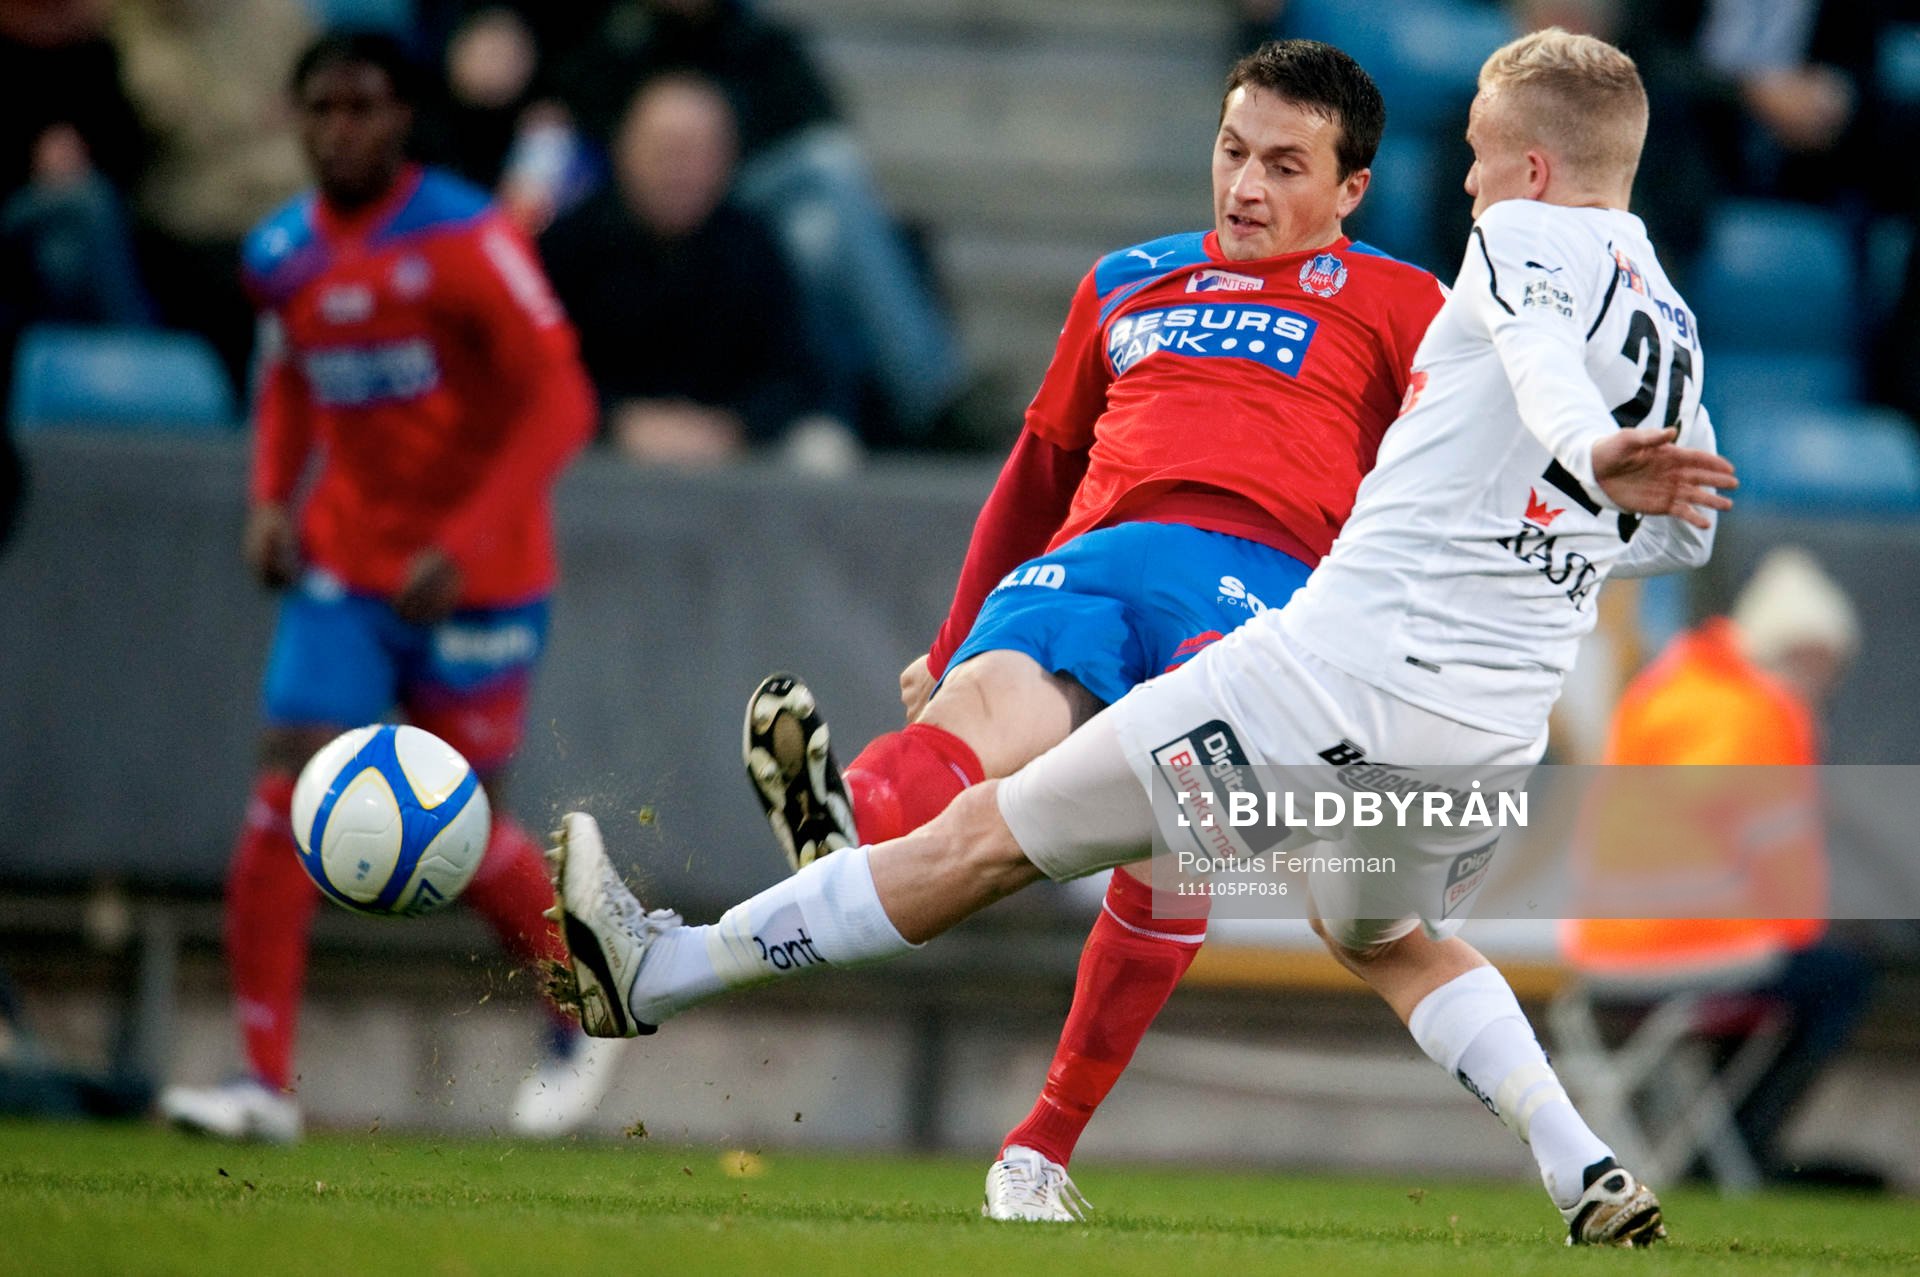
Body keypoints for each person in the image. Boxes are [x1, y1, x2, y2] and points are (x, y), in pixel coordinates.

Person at [556, 28, 1735, 1246]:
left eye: (1484, 157)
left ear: (1533, 168)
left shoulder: (1514, 243)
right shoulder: (1669, 318)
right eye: (1232, 152)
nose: (1473, 182)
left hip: (1317, 673)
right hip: (1478, 737)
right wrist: (1584, 505)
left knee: (990, 841)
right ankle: (1583, 1165)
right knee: (1386, 937)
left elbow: (1541, 367)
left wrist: (1583, 452)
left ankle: (662, 970)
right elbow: (1686, 530)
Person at [743, 39, 1446, 1216]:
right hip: (1094, 559)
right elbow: (1037, 469)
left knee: (1178, 845)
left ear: (1351, 189)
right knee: (977, 712)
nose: (1245, 189)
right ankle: (843, 823)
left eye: (1284, 165)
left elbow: (1455, 478)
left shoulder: (1401, 301)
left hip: (1259, 589)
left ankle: (1039, 1144)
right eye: (1231, 152)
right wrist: (959, 629)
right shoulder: (1127, 277)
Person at [156, 32, 605, 1143]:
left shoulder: (466, 237)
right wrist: (271, 498)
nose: (339, 130)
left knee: (460, 834)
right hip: (349, 569)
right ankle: (264, 1080)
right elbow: (290, 380)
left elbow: (562, 404)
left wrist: (465, 536)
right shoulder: (282, 251)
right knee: (285, 791)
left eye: (361, 109)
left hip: (482, 581)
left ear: (402, 119)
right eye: (321, 109)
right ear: (295, 118)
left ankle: (584, 1000)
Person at [1564, 547, 1877, 1184]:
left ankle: (1720, 1150)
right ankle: (1740, 1149)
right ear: (1803, 654)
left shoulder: (1671, 686)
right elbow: (1784, 880)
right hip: (1689, 949)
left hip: (1601, 950)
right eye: (1828, 667)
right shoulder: (1764, 713)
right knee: (1837, 977)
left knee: (1775, 978)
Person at [539, 73, 825, 465]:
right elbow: (534, 370)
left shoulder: (755, 246)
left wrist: (733, 426)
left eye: (696, 152)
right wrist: (618, 419)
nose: (678, 170)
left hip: (732, 456)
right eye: (664, 150)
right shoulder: (567, 244)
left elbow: (796, 374)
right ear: (624, 149)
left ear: (728, 158)